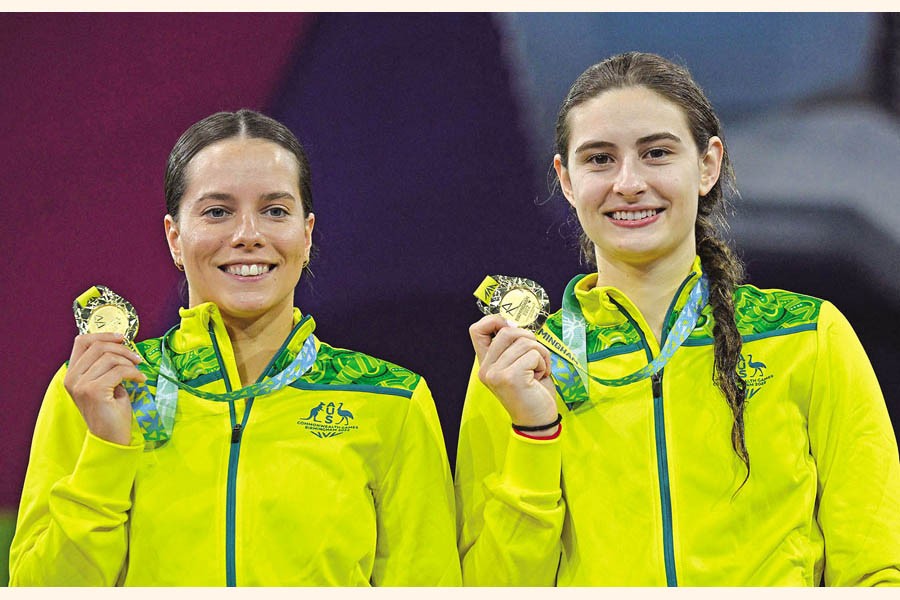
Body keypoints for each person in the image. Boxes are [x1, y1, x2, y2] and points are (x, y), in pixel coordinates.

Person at [455, 52, 900, 586]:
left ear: (707, 164)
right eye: (599, 159)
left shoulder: (807, 336)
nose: (628, 183)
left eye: (657, 153)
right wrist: (535, 433)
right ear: (566, 180)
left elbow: (879, 568)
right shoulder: (517, 368)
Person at [9, 109, 461, 586]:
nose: (248, 235)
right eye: (217, 212)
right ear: (175, 238)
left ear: (306, 235)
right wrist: (105, 450)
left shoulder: (390, 400)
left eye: (275, 211)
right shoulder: (98, 389)